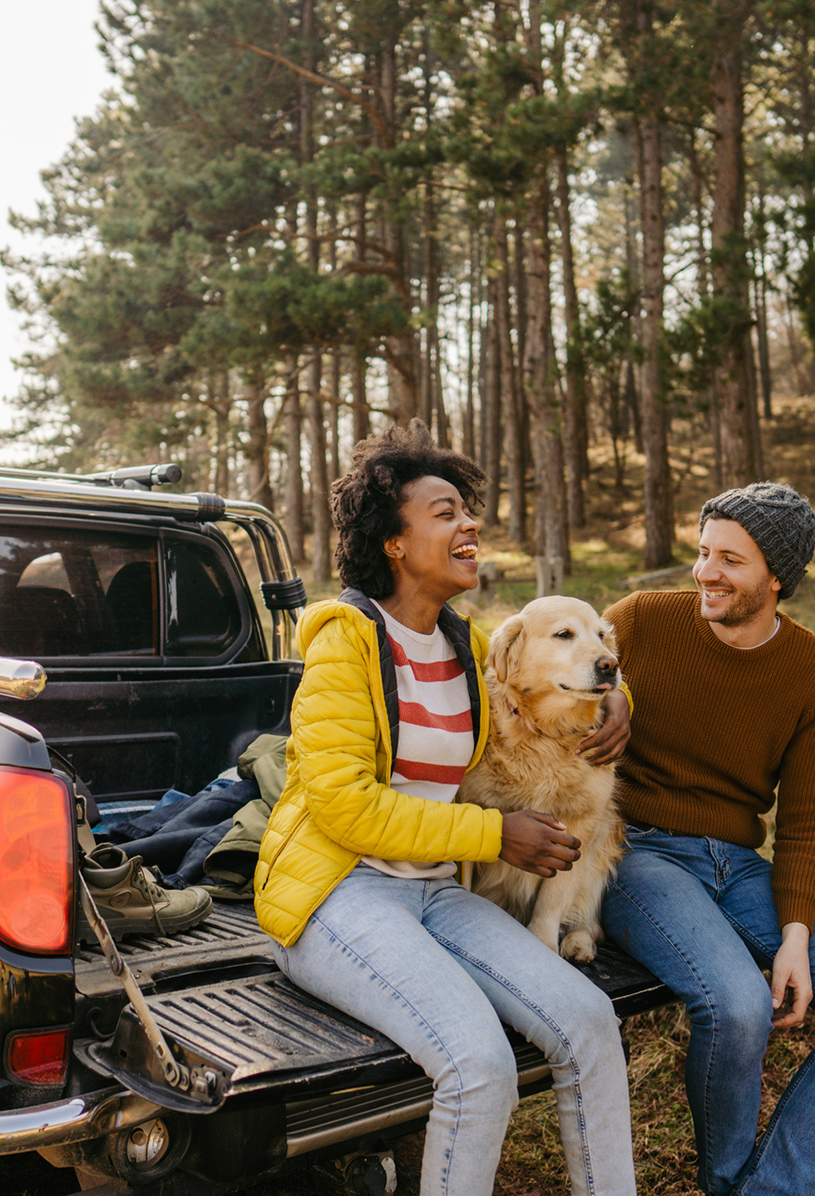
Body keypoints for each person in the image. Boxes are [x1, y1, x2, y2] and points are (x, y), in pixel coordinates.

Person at [255, 423, 637, 1196]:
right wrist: (496, 832)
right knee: (479, 1062)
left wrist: (619, 693)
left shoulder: (464, 643)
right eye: (445, 512)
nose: (469, 526)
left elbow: (558, 663)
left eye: (469, 512)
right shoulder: (345, 641)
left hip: (436, 889)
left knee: (592, 1025)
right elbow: (344, 807)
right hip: (340, 893)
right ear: (393, 542)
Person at [595, 483, 815, 1196]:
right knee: (737, 1006)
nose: (706, 573)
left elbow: (808, 819)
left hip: (739, 864)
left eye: (729, 561)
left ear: (776, 576)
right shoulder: (645, 620)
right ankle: (727, 1182)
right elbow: (555, 662)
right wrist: (611, 693)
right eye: (703, 551)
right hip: (636, 851)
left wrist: (796, 935)